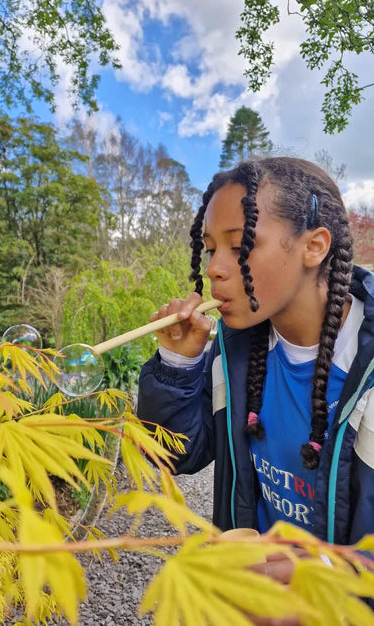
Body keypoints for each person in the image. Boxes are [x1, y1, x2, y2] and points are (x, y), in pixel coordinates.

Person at [137, 157, 374, 588]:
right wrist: (178, 364)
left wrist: (320, 573)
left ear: (314, 246)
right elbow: (175, 455)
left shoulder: (366, 371)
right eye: (210, 249)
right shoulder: (237, 349)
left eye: (240, 244)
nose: (213, 268)